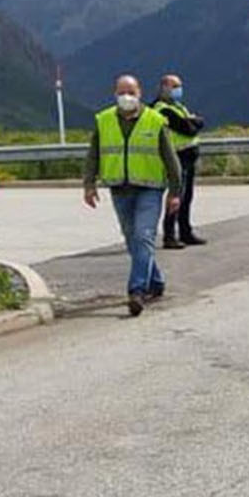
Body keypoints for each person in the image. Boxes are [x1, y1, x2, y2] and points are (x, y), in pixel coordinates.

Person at [83, 75, 182, 317]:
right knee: (132, 239)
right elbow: (93, 154)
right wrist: (89, 184)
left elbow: (171, 160)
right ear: (114, 94)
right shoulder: (104, 120)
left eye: (131, 92)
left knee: (143, 235)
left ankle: (136, 291)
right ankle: (155, 282)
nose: (126, 97)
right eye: (121, 92)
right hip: (120, 189)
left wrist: (175, 191)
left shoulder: (155, 120)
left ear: (139, 94)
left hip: (150, 188)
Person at [154, 73, 206, 248]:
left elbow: (196, 123)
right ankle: (169, 235)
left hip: (188, 156)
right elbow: (187, 128)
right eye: (174, 86)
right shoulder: (161, 109)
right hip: (176, 157)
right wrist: (194, 121)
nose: (178, 90)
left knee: (187, 196)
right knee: (176, 195)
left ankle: (185, 231)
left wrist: (194, 122)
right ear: (164, 88)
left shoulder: (178, 106)